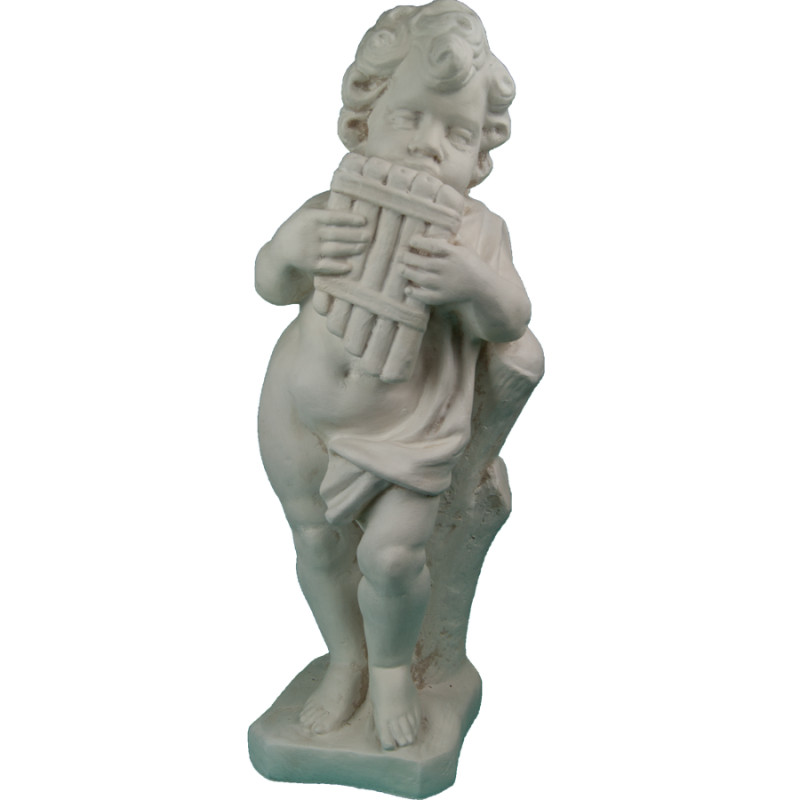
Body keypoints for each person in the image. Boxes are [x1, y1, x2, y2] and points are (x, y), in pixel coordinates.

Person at [255, 0, 531, 751]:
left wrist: (474, 284)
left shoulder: (478, 234)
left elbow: (511, 320)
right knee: (316, 544)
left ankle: (389, 671)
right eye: (410, 117)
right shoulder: (331, 208)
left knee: (391, 557)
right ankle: (345, 657)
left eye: (457, 134)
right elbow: (271, 283)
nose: (428, 147)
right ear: (362, 121)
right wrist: (286, 250)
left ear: (481, 156)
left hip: (409, 428)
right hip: (298, 411)